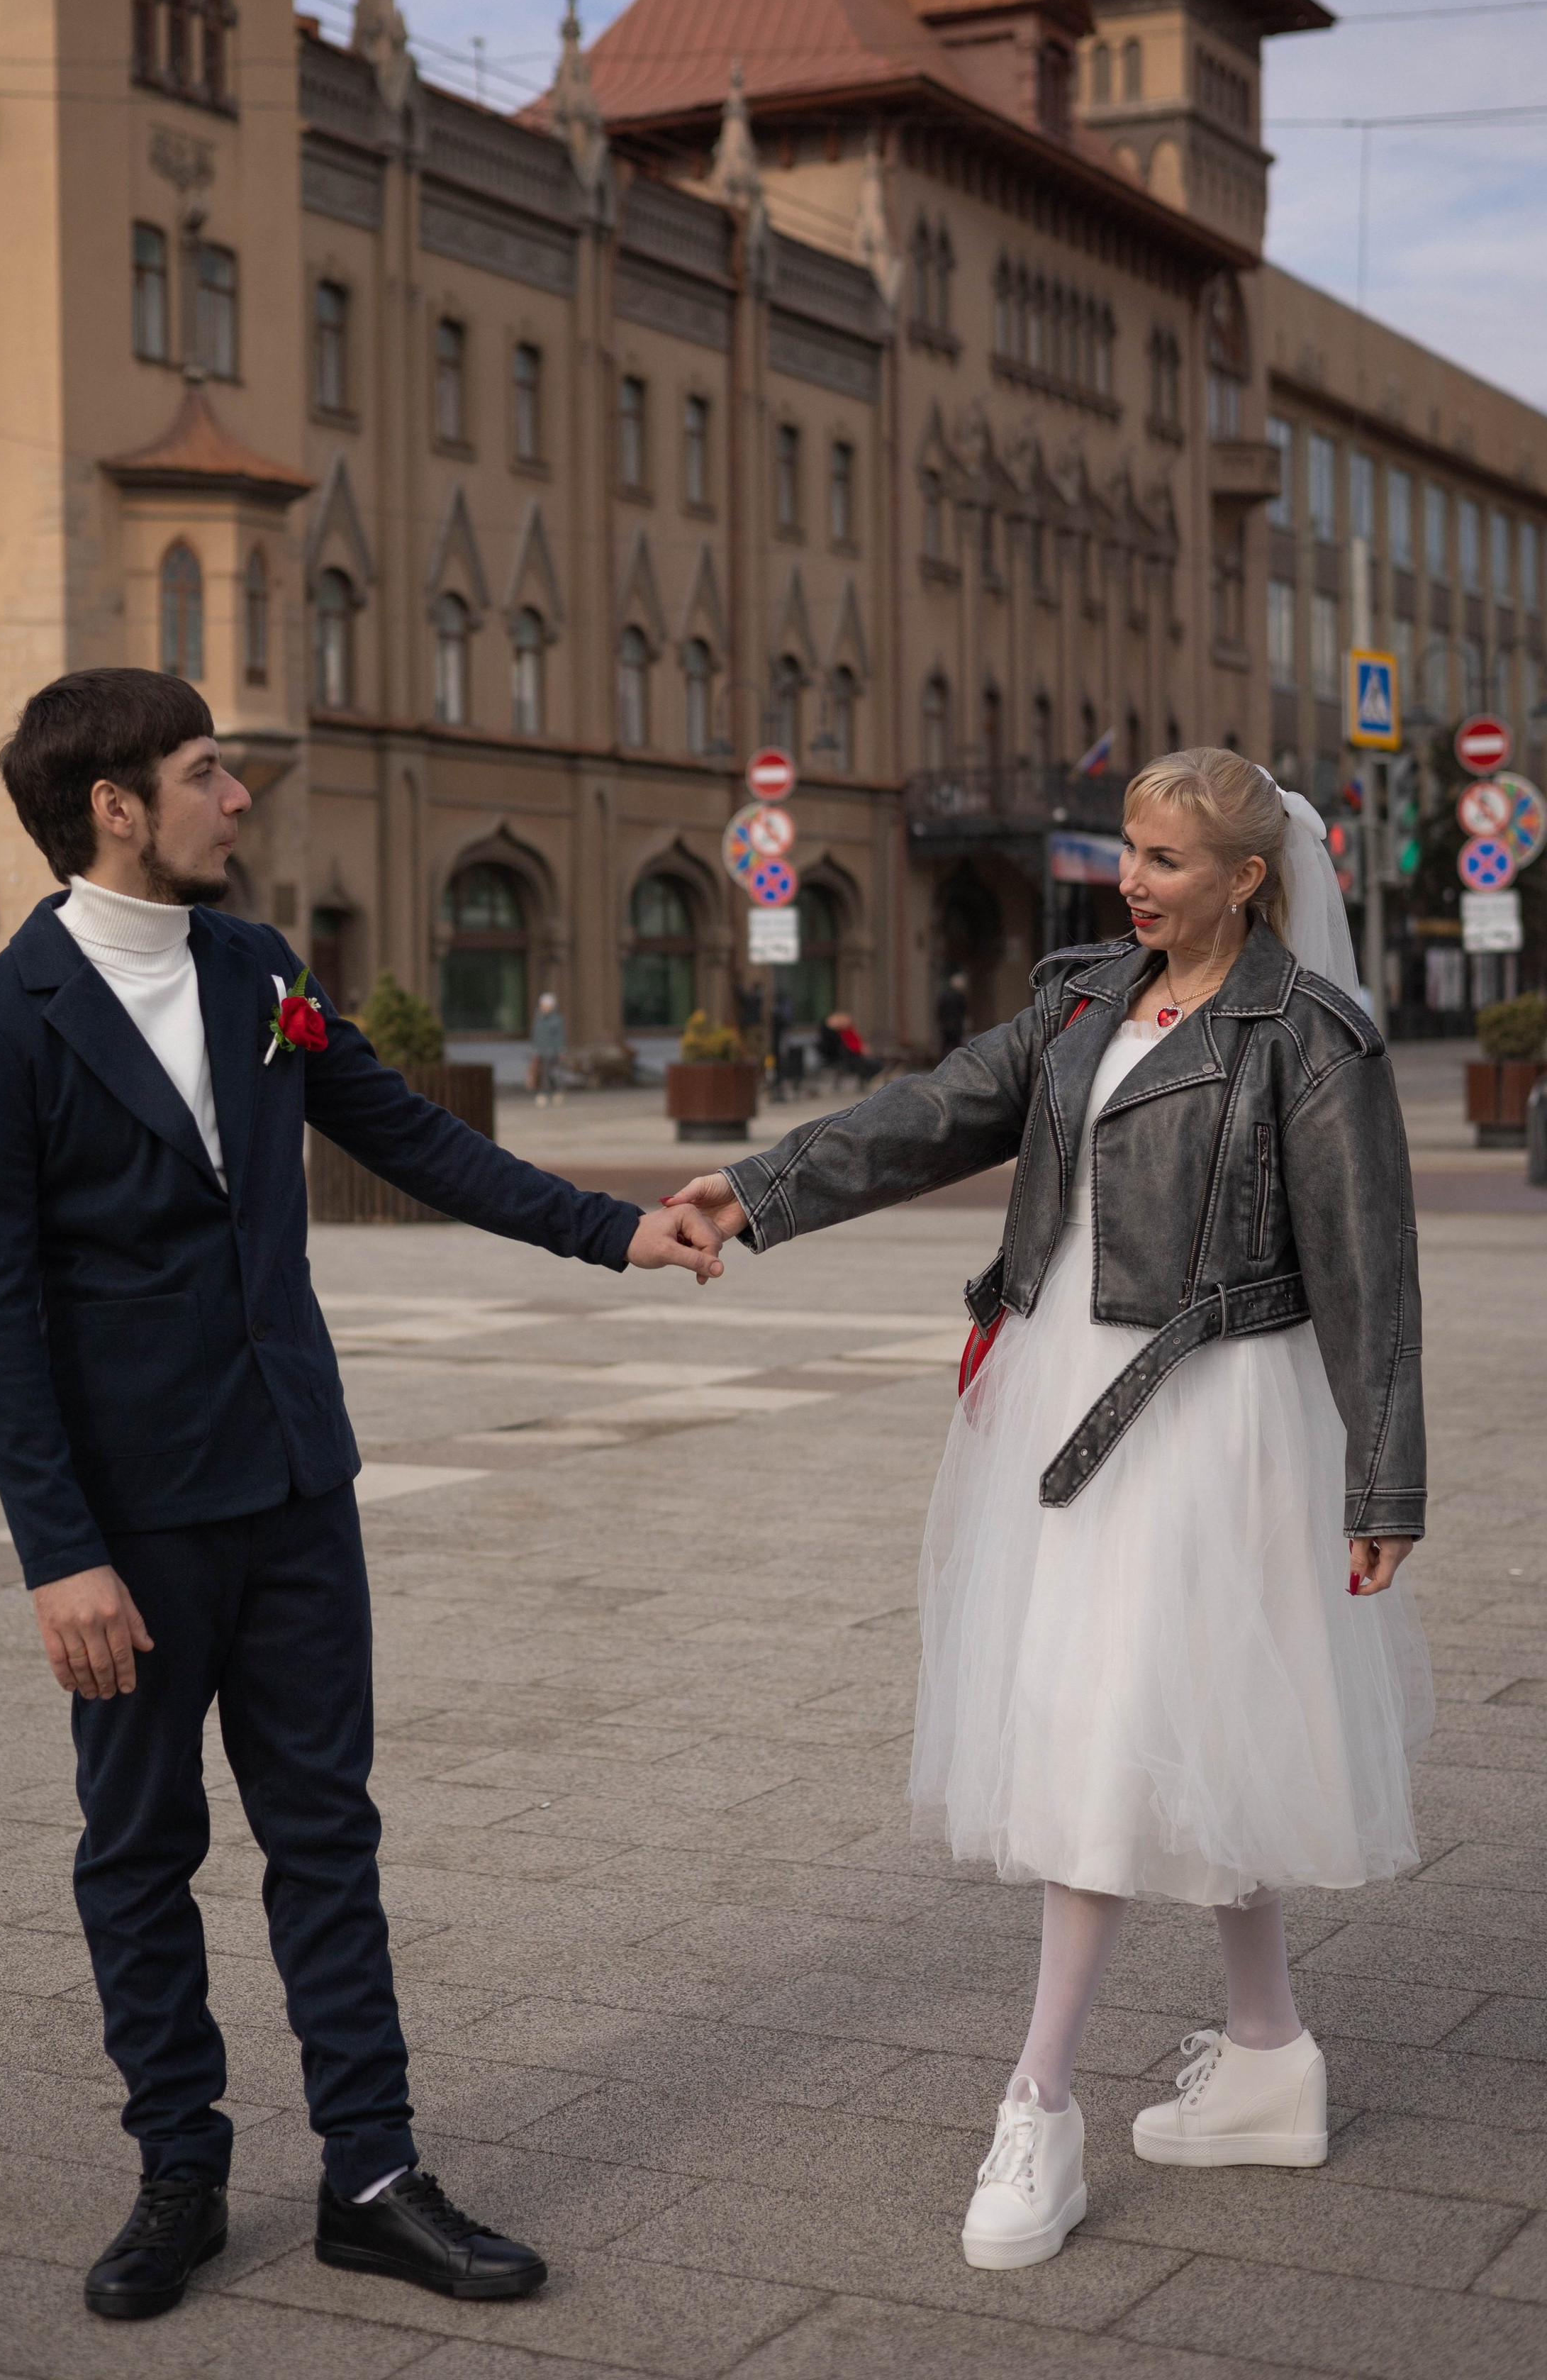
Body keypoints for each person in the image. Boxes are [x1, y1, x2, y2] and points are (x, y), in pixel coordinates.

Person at [0, 670, 725, 2325]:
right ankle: (178, 2170)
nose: (242, 794)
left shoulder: (258, 967)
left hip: (295, 1486)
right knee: (139, 1846)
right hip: (129, 1534)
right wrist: (58, 1552)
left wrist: (615, 1228)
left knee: (326, 1832)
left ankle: (369, 2172)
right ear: (115, 808)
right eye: (209, 772)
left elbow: (405, 1137)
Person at [669, 748, 1431, 2271]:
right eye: (1125, 852)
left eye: (1162, 859)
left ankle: (1040, 2102)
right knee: (1181, 1721)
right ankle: (1269, 2055)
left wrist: (1382, 1479)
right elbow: (943, 1107)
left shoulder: (1309, 1032)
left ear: (1244, 879)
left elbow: (1367, 1266)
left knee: (1105, 1723)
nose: (1127, 879)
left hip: (1205, 1410)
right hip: (1058, 1387)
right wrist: (758, 1193)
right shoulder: (1084, 992)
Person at [531, 989, 566, 1106]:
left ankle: (549, 1093)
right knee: (545, 1074)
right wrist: (535, 1050)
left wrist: (561, 1051)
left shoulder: (556, 1021)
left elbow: (559, 1037)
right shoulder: (539, 1020)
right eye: (543, 1006)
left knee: (551, 1073)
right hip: (541, 1051)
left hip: (553, 1052)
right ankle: (549, 1093)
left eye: (547, 1006)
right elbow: (536, 1036)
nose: (545, 1008)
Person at [935, 969, 969, 1059]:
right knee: (956, 1046)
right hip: (956, 1025)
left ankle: (942, 1063)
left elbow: (940, 1010)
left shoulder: (945, 995)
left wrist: (941, 1022)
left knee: (946, 1046)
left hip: (946, 1025)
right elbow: (963, 1011)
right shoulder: (959, 997)